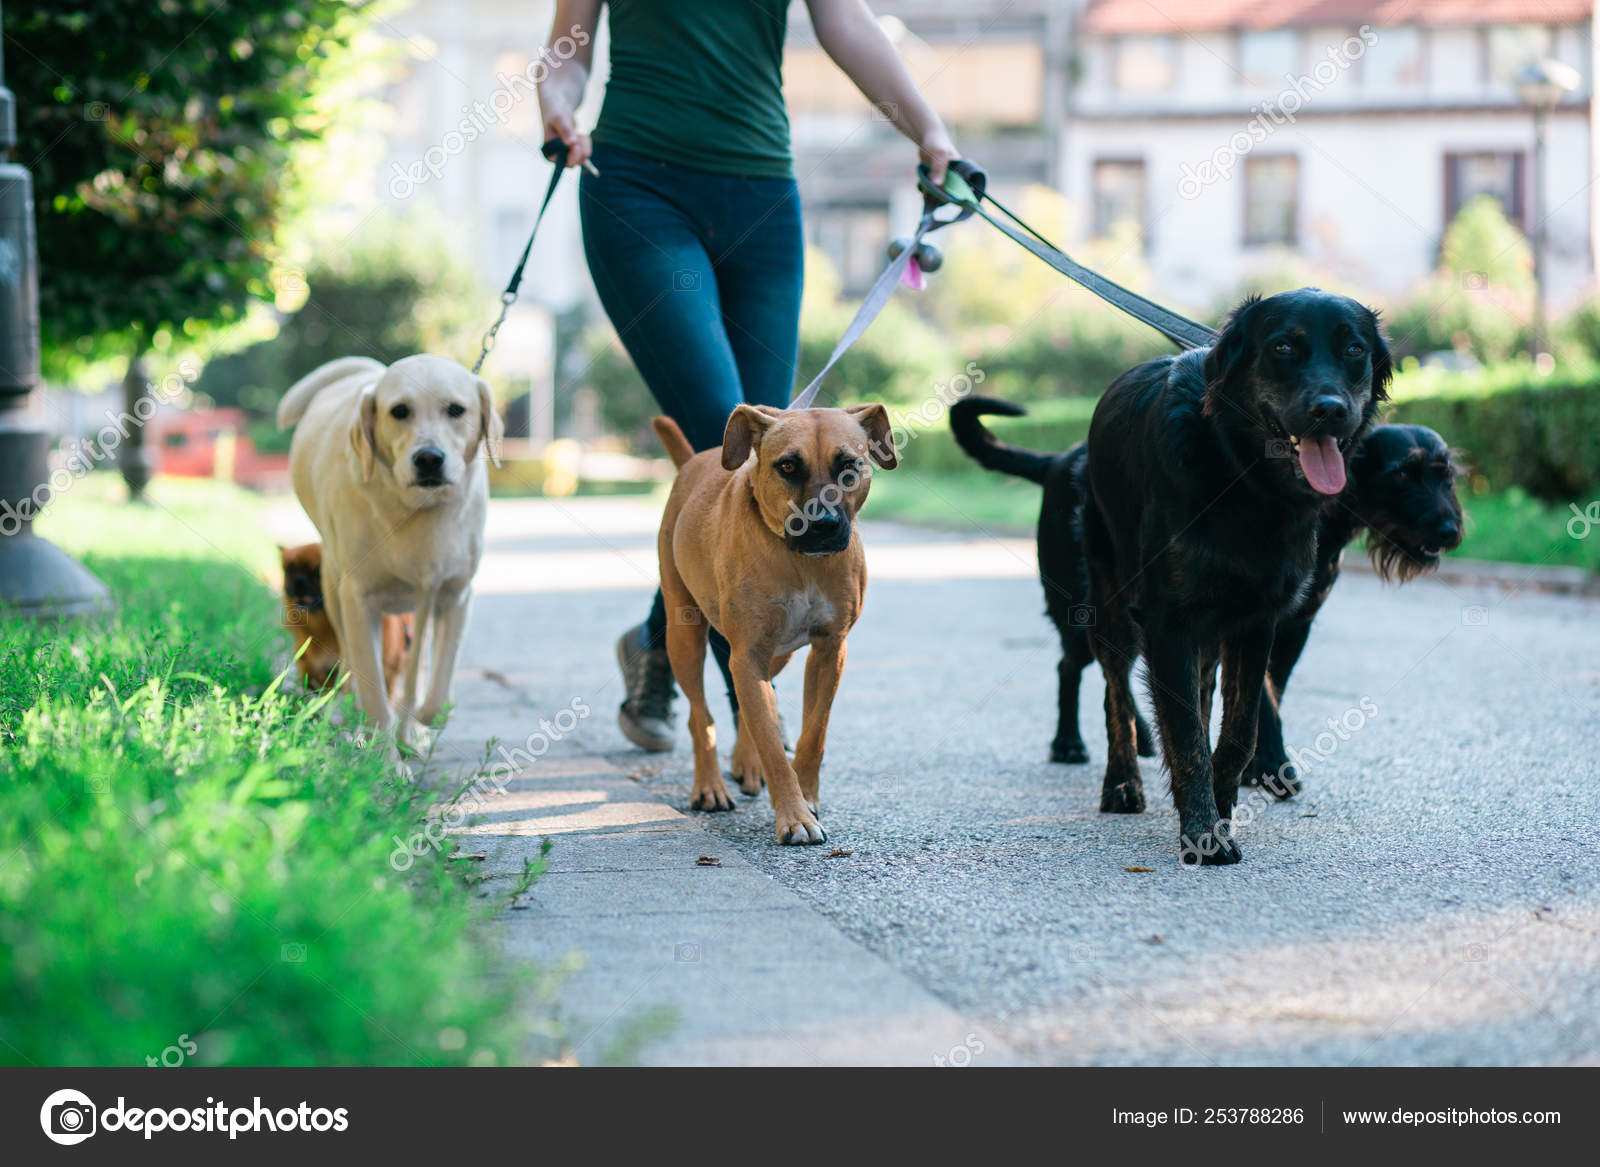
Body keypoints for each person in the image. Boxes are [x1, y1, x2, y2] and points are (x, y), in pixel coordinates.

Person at [539, 0, 956, 752]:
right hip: (636, 185)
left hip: (762, 195)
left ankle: (661, 637)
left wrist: (927, 128)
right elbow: (567, 51)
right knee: (729, 441)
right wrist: (557, 107)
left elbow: (846, 23)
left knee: (777, 454)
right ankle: (749, 721)